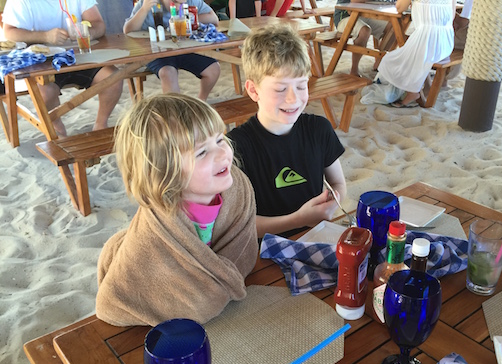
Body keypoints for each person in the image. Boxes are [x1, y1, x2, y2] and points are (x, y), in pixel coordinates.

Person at [96, 93, 258, 327]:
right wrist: (209, 294)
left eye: (220, 139)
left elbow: (243, 253)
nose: (223, 154)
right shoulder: (157, 229)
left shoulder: (238, 189)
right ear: (165, 171)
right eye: (202, 152)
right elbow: (111, 304)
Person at [227, 25, 347, 238]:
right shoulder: (235, 147)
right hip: (264, 247)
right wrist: (299, 219)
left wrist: (332, 203)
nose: (293, 99)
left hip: (314, 236)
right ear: (254, 90)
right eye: (280, 89)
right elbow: (239, 224)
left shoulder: (319, 129)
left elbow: (338, 183)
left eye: (301, 86)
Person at [2, 0, 123, 137]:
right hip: (42, 61)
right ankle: (56, 124)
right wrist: (45, 36)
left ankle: (101, 123)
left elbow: (99, 24)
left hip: (79, 56)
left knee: (113, 78)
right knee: (46, 92)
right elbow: (9, 32)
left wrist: (86, 32)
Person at [123, 0, 220, 101]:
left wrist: (189, 17)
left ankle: (200, 102)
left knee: (213, 69)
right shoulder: (149, 2)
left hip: (183, 48)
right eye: (175, 2)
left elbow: (214, 19)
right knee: (168, 73)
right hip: (156, 51)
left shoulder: (192, 2)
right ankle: (176, 111)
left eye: (182, 3)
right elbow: (127, 30)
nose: (178, 7)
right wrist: (143, 10)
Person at [375, 0, 454, 107]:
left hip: (427, 39)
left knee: (388, 60)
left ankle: (412, 92)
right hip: (446, 41)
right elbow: (452, 15)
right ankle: (424, 86)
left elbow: (399, 8)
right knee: (412, 55)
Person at [333, 0, 392, 77]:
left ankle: (379, 62)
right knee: (364, 30)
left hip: (365, 13)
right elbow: (354, 3)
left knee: (393, 26)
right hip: (345, 16)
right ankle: (354, 69)